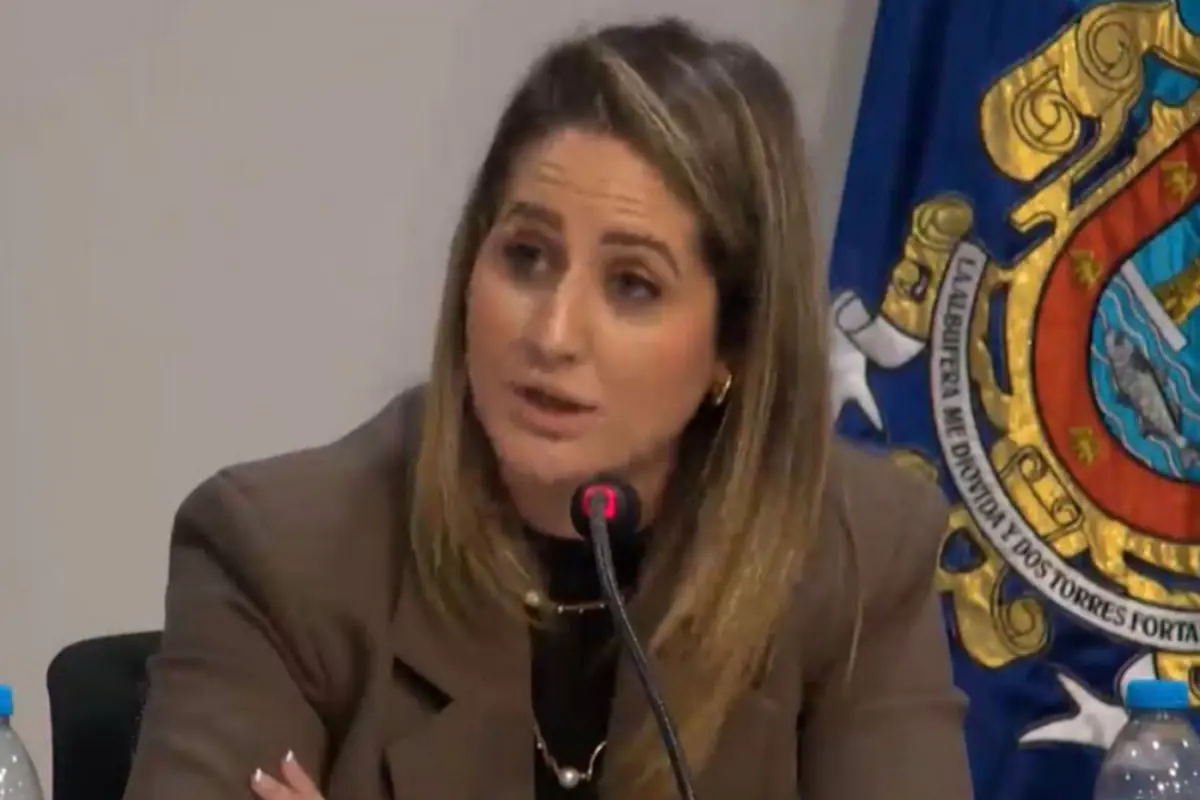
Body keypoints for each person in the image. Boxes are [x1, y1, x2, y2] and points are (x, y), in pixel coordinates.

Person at [122, 16, 972, 800]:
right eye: (526, 256)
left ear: (735, 349)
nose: (553, 333)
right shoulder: (286, 555)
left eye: (633, 284)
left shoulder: (855, 558)